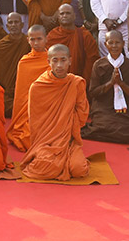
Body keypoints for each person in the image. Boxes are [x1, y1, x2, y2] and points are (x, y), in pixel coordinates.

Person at [20, 43, 89, 181]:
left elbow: (82, 115)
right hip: (45, 142)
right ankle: (58, 161)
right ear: (48, 62)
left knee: (78, 169)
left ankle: (67, 159)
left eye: (63, 60)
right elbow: (36, 123)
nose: (59, 65)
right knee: (44, 167)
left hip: (69, 140)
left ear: (70, 60)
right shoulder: (38, 87)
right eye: (55, 60)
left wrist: (67, 126)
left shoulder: (76, 83)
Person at [82, 29, 129, 144]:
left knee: (127, 133)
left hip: (124, 110)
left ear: (123, 44)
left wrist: (121, 84)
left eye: (117, 43)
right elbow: (93, 92)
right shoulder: (99, 65)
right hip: (103, 108)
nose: (114, 46)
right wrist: (110, 83)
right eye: (110, 43)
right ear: (105, 44)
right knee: (102, 126)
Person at [7, 24, 50, 151]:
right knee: (28, 137)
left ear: (46, 39)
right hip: (27, 111)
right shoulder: (24, 62)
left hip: (45, 109)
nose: (36, 43)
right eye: (32, 39)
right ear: (28, 40)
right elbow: (20, 95)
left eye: (39, 39)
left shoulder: (52, 60)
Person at [46, 2, 100, 85]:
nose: (65, 15)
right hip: (56, 82)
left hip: (79, 81)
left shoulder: (84, 35)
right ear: (58, 17)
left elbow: (92, 60)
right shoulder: (52, 36)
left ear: (74, 16)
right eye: (62, 13)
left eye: (68, 13)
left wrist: (82, 81)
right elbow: (47, 62)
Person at [0, 12, 30, 117]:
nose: (13, 25)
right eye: (10, 22)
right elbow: (0, 73)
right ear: (7, 26)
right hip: (7, 90)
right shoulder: (1, 45)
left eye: (16, 22)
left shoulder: (28, 43)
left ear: (22, 25)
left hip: (24, 88)